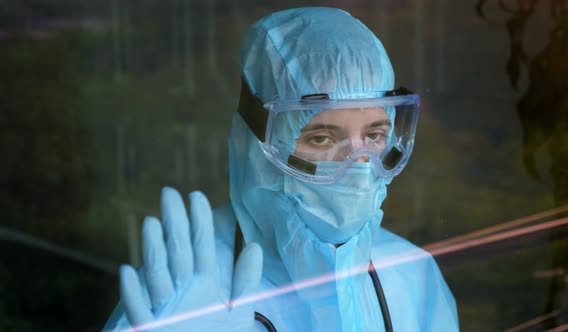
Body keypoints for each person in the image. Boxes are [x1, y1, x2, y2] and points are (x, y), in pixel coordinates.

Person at [104, 7, 459, 332]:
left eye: (375, 135)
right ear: (256, 146)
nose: (359, 164)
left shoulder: (413, 276)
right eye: (321, 138)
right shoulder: (186, 288)